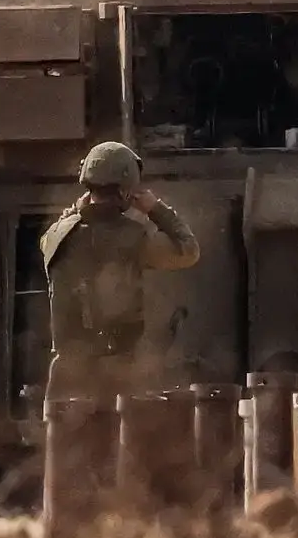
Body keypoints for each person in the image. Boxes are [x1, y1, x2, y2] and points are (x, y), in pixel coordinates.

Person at [40, 141, 201, 401]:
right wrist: (155, 209)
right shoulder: (133, 238)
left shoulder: (55, 235)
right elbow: (188, 250)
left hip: (65, 380)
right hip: (115, 377)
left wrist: (76, 210)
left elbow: (59, 229)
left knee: (63, 429)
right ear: (126, 192)